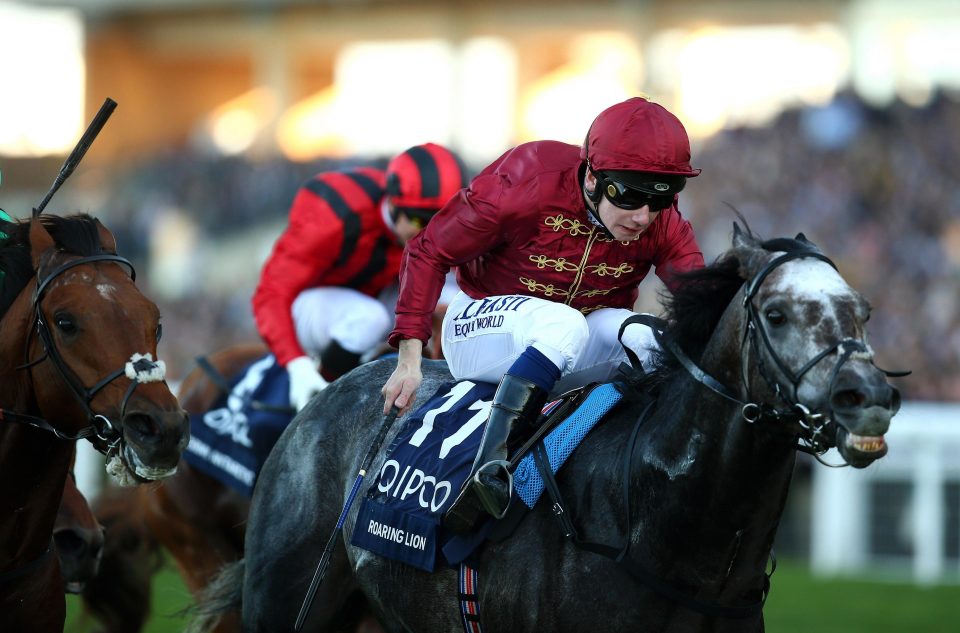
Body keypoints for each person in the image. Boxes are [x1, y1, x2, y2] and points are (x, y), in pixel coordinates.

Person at [381, 97, 705, 532]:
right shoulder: (526, 179)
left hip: (568, 343)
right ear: (592, 175)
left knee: (654, 339)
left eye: (661, 199)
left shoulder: (658, 221)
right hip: (480, 328)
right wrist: (409, 359)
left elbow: (701, 303)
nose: (644, 217)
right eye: (630, 195)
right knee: (563, 324)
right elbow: (428, 249)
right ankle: (488, 470)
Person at [253, 143, 468, 412]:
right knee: (368, 318)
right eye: (420, 221)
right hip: (309, 309)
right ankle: (320, 400)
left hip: (372, 300)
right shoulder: (334, 215)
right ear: (393, 203)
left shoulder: (429, 223)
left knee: (459, 304)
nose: (430, 233)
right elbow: (271, 294)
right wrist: (297, 364)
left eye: (442, 221)